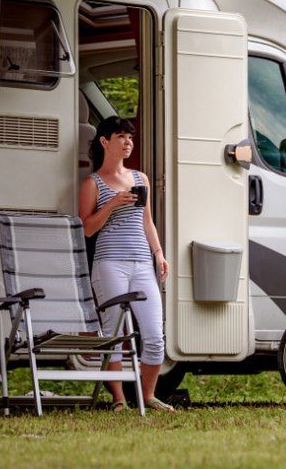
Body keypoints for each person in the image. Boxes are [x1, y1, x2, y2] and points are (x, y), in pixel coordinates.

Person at [78, 115, 174, 413]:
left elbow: (146, 221)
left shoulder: (140, 178)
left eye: (130, 137)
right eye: (121, 136)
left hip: (143, 263)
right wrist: (112, 203)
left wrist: (158, 253)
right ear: (105, 142)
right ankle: (119, 399)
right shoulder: (92, 183)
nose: (128, 142)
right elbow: (87, 228)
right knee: (115, 333)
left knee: (155, 334)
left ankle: (147, 396)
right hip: (109, 263)